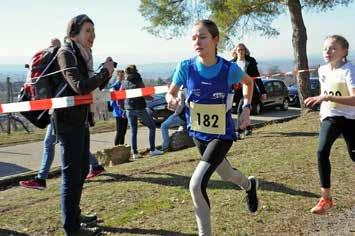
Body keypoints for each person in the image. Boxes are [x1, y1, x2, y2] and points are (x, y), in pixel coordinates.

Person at [166, 19, 258, 236]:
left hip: (222, 134)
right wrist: (171, 98)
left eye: (203, 37)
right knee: (226, 173)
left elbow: (249, 83)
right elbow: (171, 91)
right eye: (194, 38)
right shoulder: (185, 67)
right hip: (198, 133)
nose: (197, 42)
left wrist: (246, 107)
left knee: (196, 185)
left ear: (216, 40)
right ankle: (249, 185)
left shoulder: (228, 69)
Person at [54, 14, 114, 235]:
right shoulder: (66, 53)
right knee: (71, 175)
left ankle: (75, 215)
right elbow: (80, 86)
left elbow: (90, 88)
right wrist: (104, 72)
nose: (92, 36)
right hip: (67, 121)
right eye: (88, 31)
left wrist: (105, 73)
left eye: (94, 31)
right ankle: (72, 227)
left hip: (80, 119)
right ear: (74, 33)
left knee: (80, 172)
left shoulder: (83, 54)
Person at [304, 35, 355, 215]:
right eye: (325, 48)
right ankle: (326, 198)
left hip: (350, 119)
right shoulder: (322, 70)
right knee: (321, 151)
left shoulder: (349, 70)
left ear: (344, 51)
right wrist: (322, 105)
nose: (327, 51)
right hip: (331, 117)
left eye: (333, 48)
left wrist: (327, 97)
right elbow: (323, 93)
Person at [19, 122, 105, 190]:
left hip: (60, 114)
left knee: (54, 144)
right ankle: (95, 166)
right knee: (70, 145)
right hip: (59, 114)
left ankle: (41, 179)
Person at [120, 65, 163, 159]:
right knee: (152, 126)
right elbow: (145, 95)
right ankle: (152, 150)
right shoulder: (138, 81)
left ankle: (135, 153)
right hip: (139, 108)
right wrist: (153, 98)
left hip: (129, 109)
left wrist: (123, 108)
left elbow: (120, 96)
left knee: (133, 132)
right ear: (136, 71)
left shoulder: (124, 82)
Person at [231, 43, 267, 138]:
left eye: (242, 49)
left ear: (245, 51)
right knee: (245, 109)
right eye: (239, 49)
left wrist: (263, 92)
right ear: (235, 51)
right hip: (236, 90)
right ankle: (248, 128)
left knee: (241, 108)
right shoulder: (231, 63)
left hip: (249, 89)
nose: (241, 51)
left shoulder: (250, 61)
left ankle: (239, 131)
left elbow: (257, 77)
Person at [160, 87, 186, 151]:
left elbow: (181, 106)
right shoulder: (184, 89)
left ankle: (165, 146)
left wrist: (174, 114)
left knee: (163, 126)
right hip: (188, 116)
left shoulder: (181, 92)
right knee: (181, 130)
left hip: (182, 116)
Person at [110, 70, 128, 145]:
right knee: (119, 131)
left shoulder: (125, 85)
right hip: (118, 112)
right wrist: (120, 109)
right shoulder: (114, 87)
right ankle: (116, 148)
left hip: (125, 111)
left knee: (124, 131)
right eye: (120, 76)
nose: (122, 77)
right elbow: (113, 102)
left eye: (123, 76)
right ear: (117, 76)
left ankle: (122, 147)